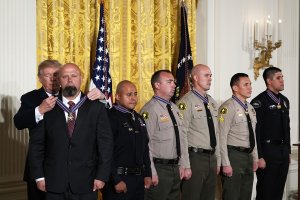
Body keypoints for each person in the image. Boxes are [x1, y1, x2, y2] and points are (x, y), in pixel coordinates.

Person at [13, 60, 105, 200]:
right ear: (39, 78)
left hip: (79, 175)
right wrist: (39, 110)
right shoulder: (31, 98)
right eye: (48, 75)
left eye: (56, 75)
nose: (53, 79)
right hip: (41, 169)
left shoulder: (75, 95)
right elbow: (18, 122)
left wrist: (104, 98)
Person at [140, 70, 188, 200]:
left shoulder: (174, 108)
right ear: (157, 85)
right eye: (169, 82)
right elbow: (145, 145)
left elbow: (182, 139)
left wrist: (183, 164)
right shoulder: (150, 110)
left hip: (175, 168)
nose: (174, 85)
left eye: (174, 82)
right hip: (159, 168)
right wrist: (151, 172)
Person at [177, 64, 220, 200]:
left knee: (209, 197)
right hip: (195, 158)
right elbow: (181, 135)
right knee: (192, 196)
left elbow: (217, 132)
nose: (210, 79)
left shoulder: (212, 102)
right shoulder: (186, 102)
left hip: (211, 157)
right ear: (195, 77)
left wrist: (217, 159)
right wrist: (185, 164)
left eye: (211, 76)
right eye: (206, 75)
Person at [102, 80, 152, 200]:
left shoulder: (138, 118)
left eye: (135, 94)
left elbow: (145, 148)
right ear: (118, 96)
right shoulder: (110, 117)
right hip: (118, 179)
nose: (133, 98)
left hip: (138, 180)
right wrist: (116, 180)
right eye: (128, 95)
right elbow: (105, 153)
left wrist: (147, 174)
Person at [251, 67, 290, 200]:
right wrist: (259, 156)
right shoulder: (259, 102)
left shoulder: (284, 100)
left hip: (282, 152)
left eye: (282, 77)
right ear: (269, 81)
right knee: (265, 191)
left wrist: (288, 151)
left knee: (278, 191)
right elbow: (256, 131)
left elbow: (287, 128)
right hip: (267, 152)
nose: (282, 80)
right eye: (278, 78)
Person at [218, 73, 258, 200]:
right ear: (235, 88)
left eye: (250, 84)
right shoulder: (227, 107)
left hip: (248, 156)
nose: (250, 87)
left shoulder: (250, 108)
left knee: (245, 195)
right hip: (233, 156)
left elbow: (253, 135)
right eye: (246, 84)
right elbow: (221, 137)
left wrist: (255, 157)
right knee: (232, 195)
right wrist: (225, 163)